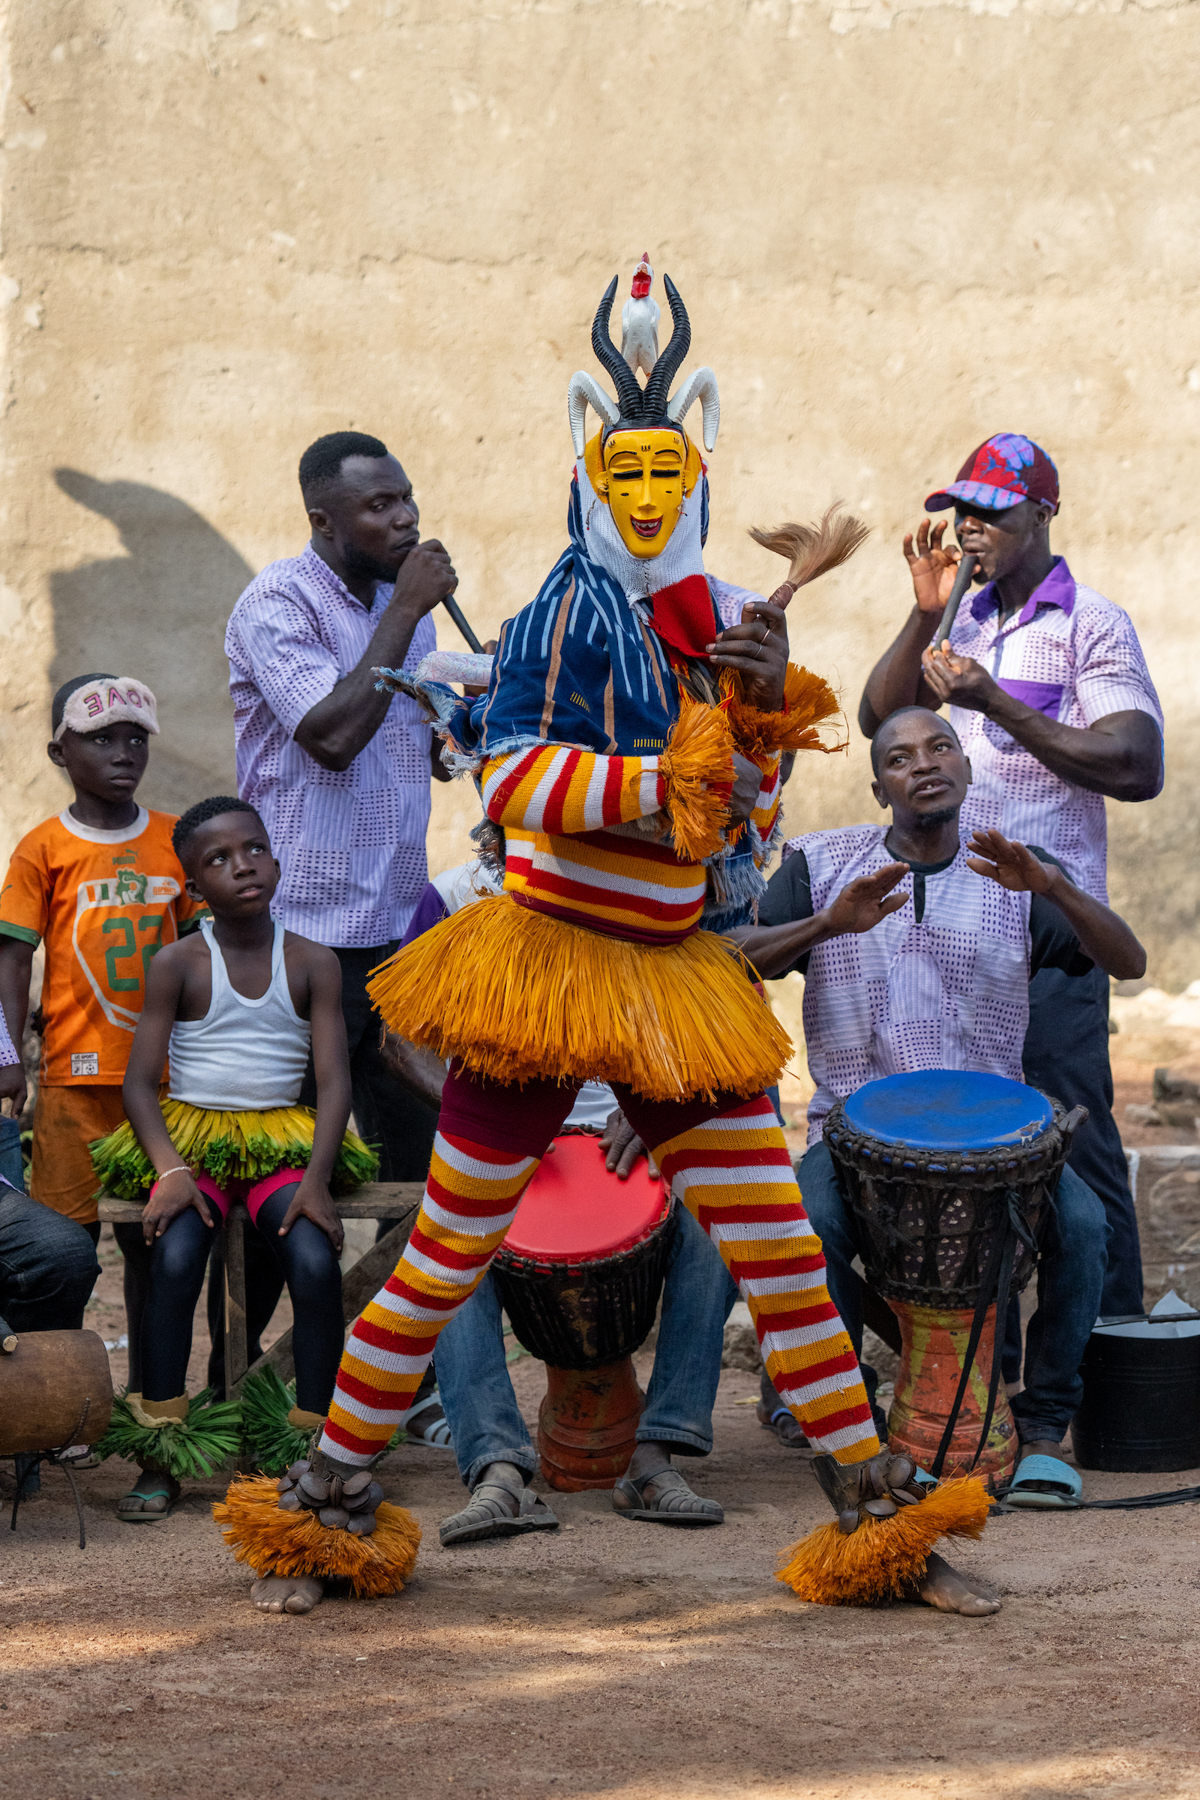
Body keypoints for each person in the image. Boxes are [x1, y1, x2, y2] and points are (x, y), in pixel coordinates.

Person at [235, 266, 1002, 1620]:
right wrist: (665, 783)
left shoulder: (715, 628)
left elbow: (739, 833)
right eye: (623, 471)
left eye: (670, 472)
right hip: (545, 977)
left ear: (698, 476)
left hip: (678, 987)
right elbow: (518, 781)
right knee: (446, 1250)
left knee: (774, 1243)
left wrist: (757, 730)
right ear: (591, 474)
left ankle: (883, 1524)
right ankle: (327, 1508)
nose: (647, 499)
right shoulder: (549, 618)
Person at [751, 704, 1147, 1506]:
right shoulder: (821, 864)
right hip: (853, 1132)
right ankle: (851, 1421)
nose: (923, 764)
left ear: (965, 769)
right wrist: (828, 924)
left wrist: (1056, 886)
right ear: (878, 784)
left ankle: (1043, 1433)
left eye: (940, 747)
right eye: (900, 757)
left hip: (998, 1140)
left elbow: (1129, 960)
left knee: (1084, 1223)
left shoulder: (1014, 869)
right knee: (808, 1221)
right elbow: (734, 960)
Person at [858, 434, 1163, 1323]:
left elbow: (1135, 763)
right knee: (962, 1137)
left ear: (1042, 512)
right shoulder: (964, 617)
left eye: (992, 511)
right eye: (963, 513)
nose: (972, 529)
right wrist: (923, 617)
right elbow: (883, 722)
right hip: (954, 920)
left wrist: (992, 702)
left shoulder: (1092, 624)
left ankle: (1111, 1352)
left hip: (1051, 921)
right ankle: (980, 1356)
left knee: (1075, 1138)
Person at [380, 856, 741, 1539]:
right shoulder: (455, 897)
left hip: (630, 1134)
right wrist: (489, 1124)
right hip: (508, 1142)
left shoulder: (650, 886)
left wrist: (652, 1111)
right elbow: (397, 1039)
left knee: (714, 1226)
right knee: (448, 1244)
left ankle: (659, 1453)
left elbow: (708, 1025)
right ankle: (498, 1469)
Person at [91, 797, 375, 1525]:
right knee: (177, 1258)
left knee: (313, 1261)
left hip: (283, 1143)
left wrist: (315, 1182)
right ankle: (162, 1451)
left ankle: (318, 1452)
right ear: (193, 887)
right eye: (216, 860)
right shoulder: (178, 962)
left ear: (275, 861)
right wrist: (171, 1171)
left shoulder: (312, 961)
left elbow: (335, 1081)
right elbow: (137, 1083)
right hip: (193, 1144)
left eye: (252, 849)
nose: (240, 865)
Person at [224, 431, 459, 1195]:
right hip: (297, 942)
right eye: (379, 506)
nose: (405, 519)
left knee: (418, 1181)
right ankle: (263, 1320)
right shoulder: (276, 602)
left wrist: (479, 708)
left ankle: (385, 1318)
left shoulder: (407, 609)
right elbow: (330, 736)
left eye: (407, 497)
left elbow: (418, 749)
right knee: (280, 1178)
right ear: (324, 521)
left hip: (393, 938)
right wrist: (408, 612)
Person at [0, 674, 205, 1389]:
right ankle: (64, 1403)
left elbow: (207, 952)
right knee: (65, 1251)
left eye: (135, 738)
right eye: (100, 738)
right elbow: (14, 955)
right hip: (73, 1085)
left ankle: (155, 1403)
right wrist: (9, 1057)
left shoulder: (177, 841)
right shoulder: (43, 848)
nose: (123, 753)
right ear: (61, 752)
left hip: (167, 1086)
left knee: (157, 1249)